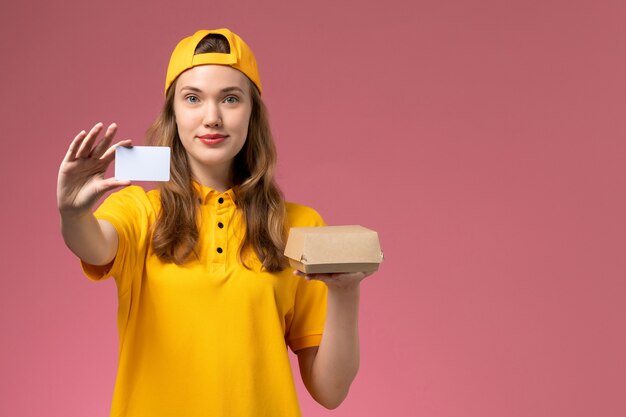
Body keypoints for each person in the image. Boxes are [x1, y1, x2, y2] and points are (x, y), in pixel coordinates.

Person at [57, 28, 374, 417]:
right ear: (173, 112)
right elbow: (93, 243)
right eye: (193, 98)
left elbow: (331, 391)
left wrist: (345, 293)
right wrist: (73, 214)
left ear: (252, 112)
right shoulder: (139, 211)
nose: (212, 117)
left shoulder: (299, 227)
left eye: (230, 98)